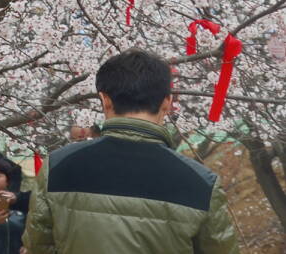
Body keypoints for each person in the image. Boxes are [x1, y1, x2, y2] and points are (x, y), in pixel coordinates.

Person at [25, 49, 240, 253]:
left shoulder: (58, 166)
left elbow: (38, 246)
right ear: (167, 102)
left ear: (105, 100)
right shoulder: (202, 182)